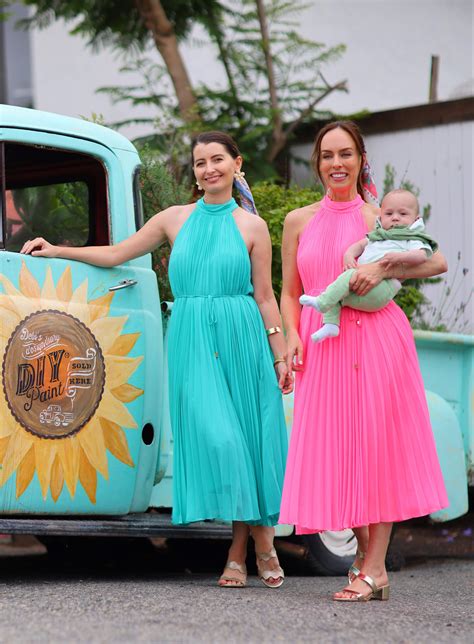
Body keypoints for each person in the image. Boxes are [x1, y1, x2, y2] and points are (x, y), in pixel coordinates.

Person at [21, 131, 293, 590]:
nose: (209, 169)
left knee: (249, 442)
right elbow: (116, 254)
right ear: (193, 171)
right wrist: (58, 251)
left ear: (236, 164)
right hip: (191, 337)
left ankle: (240, 552)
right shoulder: (174, 220)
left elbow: (265, 297)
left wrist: (280, 353)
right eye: (200, 162)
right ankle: (261, 543)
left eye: (217, 160)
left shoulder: (253, 227)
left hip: (243, 335)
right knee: (222, 439)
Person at [278, 120, 448, 602]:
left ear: (360, 159)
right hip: (323, 343)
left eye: (346, 154)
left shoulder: (381, 216)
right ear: (317, 163)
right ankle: (366, 558)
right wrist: (290, 335)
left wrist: (383, 264)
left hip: (377, 342)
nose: (337, 164)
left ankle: (373, 568)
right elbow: (290, 291)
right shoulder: (298, 221)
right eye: (328, 155)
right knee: (337, 451)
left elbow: (436, 261)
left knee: (376, 451)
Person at [300, 189, 438, 342]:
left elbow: (423, 255)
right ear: (381, 216)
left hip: (383, 287)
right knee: (337, 293)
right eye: (389, 214)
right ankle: (331, 324)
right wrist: (348, 255)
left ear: (416, 219)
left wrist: (399, 258)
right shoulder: (378, 235)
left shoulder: (410, 237)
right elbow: (358, 246)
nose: (395, 218)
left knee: (345, 278)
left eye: (403, 214)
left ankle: (322, 302)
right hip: (363, 286)